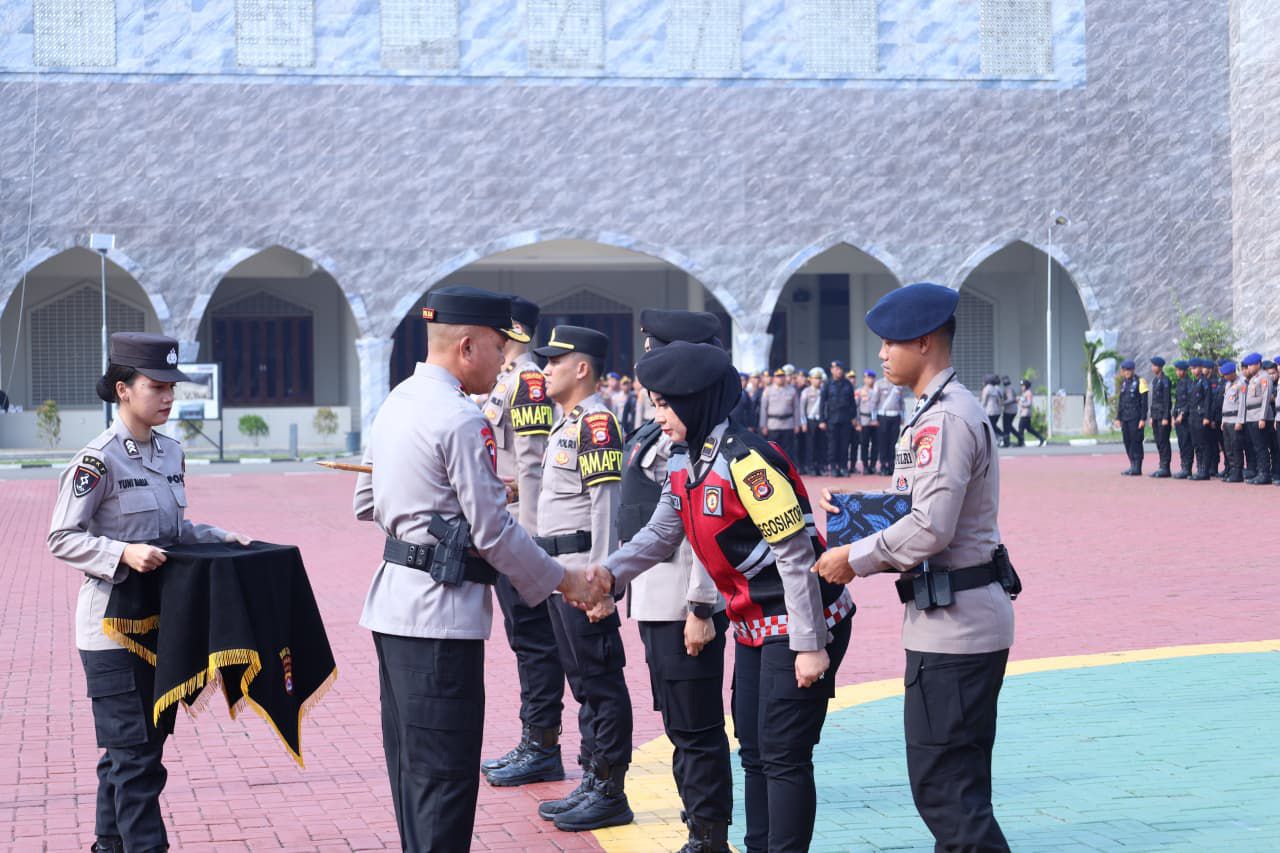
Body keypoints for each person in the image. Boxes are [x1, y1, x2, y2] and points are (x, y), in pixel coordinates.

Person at [353, 287, 605, 852]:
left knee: (412, 772)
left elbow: (366, 502)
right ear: (467, 347)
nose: (505, 360)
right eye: (498, 346)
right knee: (445, 777)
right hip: (442, 614)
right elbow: (493, 531)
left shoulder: (395, 401)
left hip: (394, 604)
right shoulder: (462, 419)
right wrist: (565, 580)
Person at [597, 341, 853, 853]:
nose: (657, 415)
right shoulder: (684, 460)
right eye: (654, 403)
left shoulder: (748, 462)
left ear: (696, 402)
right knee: (754, 750)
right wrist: (606, 574)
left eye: (665, 404)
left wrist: (809, 644)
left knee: (783, 755)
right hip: (755, 622)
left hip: (802, 616)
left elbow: (794, 555)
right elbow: (662, 532)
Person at [813, 282, 1015, 852]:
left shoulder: (944, 420)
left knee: (945, 790)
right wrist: (857, 510)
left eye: (889, 343)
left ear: (923, 342)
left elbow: (930, 527)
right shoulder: (934, 413)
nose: (880, 355)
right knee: (959, 789)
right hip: (955, 618)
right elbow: (916, 505)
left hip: (955, 626)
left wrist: (851, 558)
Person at [48, 332, 253, 853]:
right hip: (110, 631)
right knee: (136, 758)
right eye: (156, 386)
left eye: (172, 387)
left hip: (159, 624)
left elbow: (173, 531)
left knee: (132, 750)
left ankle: (107, 845)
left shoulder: (170, 452)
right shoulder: (97, 460)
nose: (168, 397)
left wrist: (219, 536)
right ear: (122, 389)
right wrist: (120, 553)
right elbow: (62, 538)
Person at [619, 308, 733, 853]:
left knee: (696, 727)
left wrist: (700, 607)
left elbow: (703, 536)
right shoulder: (670, 433)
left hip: (683, 599)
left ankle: (709, 834)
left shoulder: (710, 443)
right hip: (654, 593)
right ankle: (698, 825)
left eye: (657, 346)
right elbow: (661, 522)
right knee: (680, 723)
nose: (648, 356)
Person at [531, 325, 635, 832]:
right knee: (582, 682)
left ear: (582, 368)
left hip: (583, 570)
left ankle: (611, 788)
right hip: (560, 571)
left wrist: (602, 581)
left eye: (555, 360)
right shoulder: (565, 424)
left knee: (600, 681)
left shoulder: (596, 423)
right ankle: (594, 778)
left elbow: (605, 507)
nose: (545, 369)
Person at [477, 296, 569, 788]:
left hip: (519, 527)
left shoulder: (528, 380)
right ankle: (533, 739)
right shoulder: (505, 378)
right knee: (523, 640)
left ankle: (542, 745)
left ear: (510, 329)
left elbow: (531, 465)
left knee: (534, 641)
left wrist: (529, 543)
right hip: (503, 522)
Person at [820, 361, 856, 477]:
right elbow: (822, 403)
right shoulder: (827, 384)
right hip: (832, 419)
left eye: (840, 369)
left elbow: (852, 402)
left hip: (845, 419)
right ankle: (833, 467)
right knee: (833, 445)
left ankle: (843, 467)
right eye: (836, 369)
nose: (839, 371)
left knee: (844, 444)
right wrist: (822, 420)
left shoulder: (847, 384)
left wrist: (854, 417)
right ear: (831, 370)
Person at [1242, 353, 1273, 485]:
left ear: (1258, 364)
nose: (1249, 367)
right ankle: (1260, 472)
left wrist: (1262, 417)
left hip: (1260, 416)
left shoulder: (1264, 377)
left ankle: (1264, 474)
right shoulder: (1253, 379)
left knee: (1261, 447)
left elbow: (1266, 398)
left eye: (1251, 365)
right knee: (1256, 446)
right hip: (1251, 416)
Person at [758, 369, 801, 463]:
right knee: (773, 448)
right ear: (774, 378)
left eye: (782, 376)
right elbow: (763, 409)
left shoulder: (791, 390)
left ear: (785, 377)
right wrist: (763, 425)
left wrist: (797, 424)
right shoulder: (768, 390)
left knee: (788, 449)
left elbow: (796, 408)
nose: (780, 379)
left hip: (788, 423)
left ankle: (788, 468)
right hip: (773, 424)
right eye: (778, 377)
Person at [1114, 359, 1148, 476]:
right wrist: (1118, 418)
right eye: (1125, 370)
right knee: (1127, 441)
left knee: (1136, 442)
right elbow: (1121, 402)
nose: (1127, 372)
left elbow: (1144, 402)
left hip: (1136, 418)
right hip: (1125, 418)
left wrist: (1143, 419)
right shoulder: (1124, 383)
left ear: (1133, 370)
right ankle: (1132, 464)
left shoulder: (1141, 382)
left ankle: (1137, 467)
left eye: (1129, 370)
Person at [1218, 361, 1246, 483]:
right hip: (1227, 420)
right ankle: (1232, 470)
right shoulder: (1228, 384)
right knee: (1228, 447)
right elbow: (1226, 404)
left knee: (1236, 447)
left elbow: (1242, 404)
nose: (1224, 377)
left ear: (1231, 373)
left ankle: (1238, 472)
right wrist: (1223, 420)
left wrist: (1240, 420)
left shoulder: (1241, 383)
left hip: (1235, 420)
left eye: (1226, 375)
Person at [1147, 356, 1173, 477]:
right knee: (1158, 441)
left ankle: (1165, 467)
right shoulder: (1155, 380)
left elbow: (1167, 401)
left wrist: (1165, 417)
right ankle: (1161, 465)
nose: (1152, 368)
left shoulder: (1165, 380)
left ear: (1159, 367)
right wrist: (1152, 416)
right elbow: (1154, 401)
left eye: (1154, 366)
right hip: (1156, 415)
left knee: (1163, 442)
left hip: (1162, 416)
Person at [875, 373, 905, 474]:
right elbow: (874, 401)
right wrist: (873, 418)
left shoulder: (898, 384)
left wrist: (903, 416)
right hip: (883, 416)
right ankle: (883, 465)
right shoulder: (879, 383)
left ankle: (892, 465)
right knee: (883, 442)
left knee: (893, 442)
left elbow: (902, 402)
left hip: (895, 416)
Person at [1190, 359, 1214, 480]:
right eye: (1192, 368)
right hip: (1193, 417)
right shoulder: (1195, 382)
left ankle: (1205, 470)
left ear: (1200, 368)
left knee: (1204, 444)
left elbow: (1208, 401)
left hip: (1201, 417)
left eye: (1195, 368)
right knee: (1197, 444)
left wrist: (1206, 417)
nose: (1193, 370)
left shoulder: (1205, 382)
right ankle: (1199, 468)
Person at [799, 367, 826, 475]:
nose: (817, 381)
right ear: (810, 379)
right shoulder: (806, 391)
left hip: (820, 421)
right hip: (810, 421)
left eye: (819, 378)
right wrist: (803, 423)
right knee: (810, 445)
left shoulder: (823, 391)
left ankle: (820, 466)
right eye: (815, 378)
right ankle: (810, 467)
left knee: (821, 445)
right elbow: (802, 409)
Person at [1171, 360, 1194, 479]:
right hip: (1178, 418)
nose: (1178, 372)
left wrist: (1182, 415)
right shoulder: (1179, 383)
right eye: (1177, 370)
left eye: (1180, 370)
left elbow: (1190, 402)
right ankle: (1183, 466)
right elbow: (1177, 402)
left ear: (1185, 371)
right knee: (1181, 443)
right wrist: (1173, 415)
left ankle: (1187, 468)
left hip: (1185, 419)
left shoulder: (1189, 383)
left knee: (1186, 444)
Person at [855, 370, 880, 475]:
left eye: (871, 378)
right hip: (864, 420)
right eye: (867, 377)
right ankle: (865, 466)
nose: (870, 380)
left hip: (875, 421)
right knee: (864, 444)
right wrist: (857, 422)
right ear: (864, 379)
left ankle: (873, 465)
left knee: (875, 444)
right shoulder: (859, 391)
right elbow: (856, 407)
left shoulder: (877, 390)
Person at [1014, 379, 1045, 447]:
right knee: (1029, 429)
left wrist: (1020, 403)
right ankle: (1041, 438)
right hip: (1023, 413)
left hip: (1026, 413)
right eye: (1021, 386)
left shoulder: (1028, 393)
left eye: (1023, 386)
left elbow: (1029, 403)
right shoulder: (1024, 393)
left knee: (1021, 427)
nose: (1022, 387)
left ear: (1026, 386)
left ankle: (1020, 442)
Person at [980, 375, 1004, 446]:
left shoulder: (986, 389)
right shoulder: (995, 388)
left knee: (990, 427)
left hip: (989, 411)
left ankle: (999, 437)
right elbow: (999, 400)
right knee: (992, 426)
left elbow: (984, 401)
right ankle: (1001, 435)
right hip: (997, 411)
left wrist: (980, 409)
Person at [999, 376, 1017, 448]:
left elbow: (1010, 399)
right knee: (1009, 427)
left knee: (1006, 427)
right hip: (1012, 410)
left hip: (1009, 411)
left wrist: (1002, 403)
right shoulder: (1010, 387)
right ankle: (1020, 438)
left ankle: (1007, 442)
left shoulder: (1008, 389)